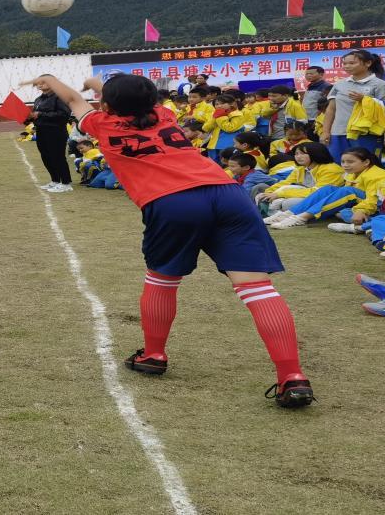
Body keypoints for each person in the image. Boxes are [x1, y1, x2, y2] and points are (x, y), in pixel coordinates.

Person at [22, 73, 314, 408]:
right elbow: (126, 99)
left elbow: (74, 100)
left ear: (107, 104)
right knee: (258, 289)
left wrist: (50, 79)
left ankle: (154, 355)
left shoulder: (102, 124)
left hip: (172, 202)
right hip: (229, 195)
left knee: (162, 281)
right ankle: (292, 377)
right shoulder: (164, 115)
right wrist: (98, 82)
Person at [267, 148, 385, 229]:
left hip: (379, 207)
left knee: (346, 192)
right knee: (329, 189)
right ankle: (289, 214)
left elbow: (374, 199)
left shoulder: (376, 175)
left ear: (366, 162)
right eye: (343, 162)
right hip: (360, 203)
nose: (345, 165)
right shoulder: (352, 173)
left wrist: (361, 210)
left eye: (350, 162)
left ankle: (301, 218)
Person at [320, 49, 385, 161]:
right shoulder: (340, 84)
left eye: (352, 63)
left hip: (365, 133)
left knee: (365, 164)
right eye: (344, 63)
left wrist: (364, 99)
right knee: (340, 164)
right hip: (338, 131)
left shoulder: (380, 84)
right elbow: (331, 109)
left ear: (368, 63)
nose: (347, 66)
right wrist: (326, 131)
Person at [257, 142, 342, 218]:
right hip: (304, 194)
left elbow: (319, 193)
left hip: (323, 199)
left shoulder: (331, 169)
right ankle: (272, 210)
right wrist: (269, 192)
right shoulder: (300, 168)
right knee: (261, 189)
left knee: (288, 204)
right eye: (296, 154)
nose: (298, 157)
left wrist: (280, 194)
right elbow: (286, 182)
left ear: (316, 153)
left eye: (302, 153)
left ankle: (275, 212)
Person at [30, 79, 74, 192]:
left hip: (56, 131)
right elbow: (36, 116)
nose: (39, 84)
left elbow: (64, 114)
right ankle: (55, 180)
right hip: (41, 131)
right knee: (46, 156)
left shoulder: (59, 97)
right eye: (39, 82)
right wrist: (29, 117)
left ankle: (66, 183)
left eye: (43, 82)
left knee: (58, 157)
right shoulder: (38, 100)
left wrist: (41, 114)